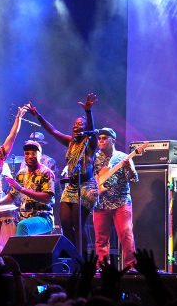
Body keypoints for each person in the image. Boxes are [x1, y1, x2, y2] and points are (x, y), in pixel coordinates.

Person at [26, 93, 98, 255]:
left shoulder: (90, 143)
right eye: (74, 125)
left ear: (86, 128)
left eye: (80, 125)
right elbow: (52, 131)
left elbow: (93, 131)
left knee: (78, 223)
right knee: (65, 222)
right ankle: (72, 256)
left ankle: (84, 259)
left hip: (86, 186)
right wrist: (37, 115)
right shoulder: (70, 142)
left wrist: (88, 112)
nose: (76, 127)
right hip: (71, 186)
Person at [93, 127, 138, 269]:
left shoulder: (123, 157)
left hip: (121, 202)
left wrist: (128, 167)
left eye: (104, 138)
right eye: (99, 138)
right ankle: (102, 267)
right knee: (101, 239)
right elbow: (90, 178)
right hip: (100, 203)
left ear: (113, 140)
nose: (101, 141)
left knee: (126, 234)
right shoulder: (93, 158)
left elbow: (134, 178)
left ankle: (131, 266)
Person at [0, 140, 55, 236]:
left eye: (34, 153)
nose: (30, 156)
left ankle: (19, 251)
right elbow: (12, 196)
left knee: (23, 226)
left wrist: (22, 190)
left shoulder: (46, 173)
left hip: (43, 218)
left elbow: (47, 198)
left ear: (40, 155)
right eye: (27, 154)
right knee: (5, 224)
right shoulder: (21, 173)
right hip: (23, 217)